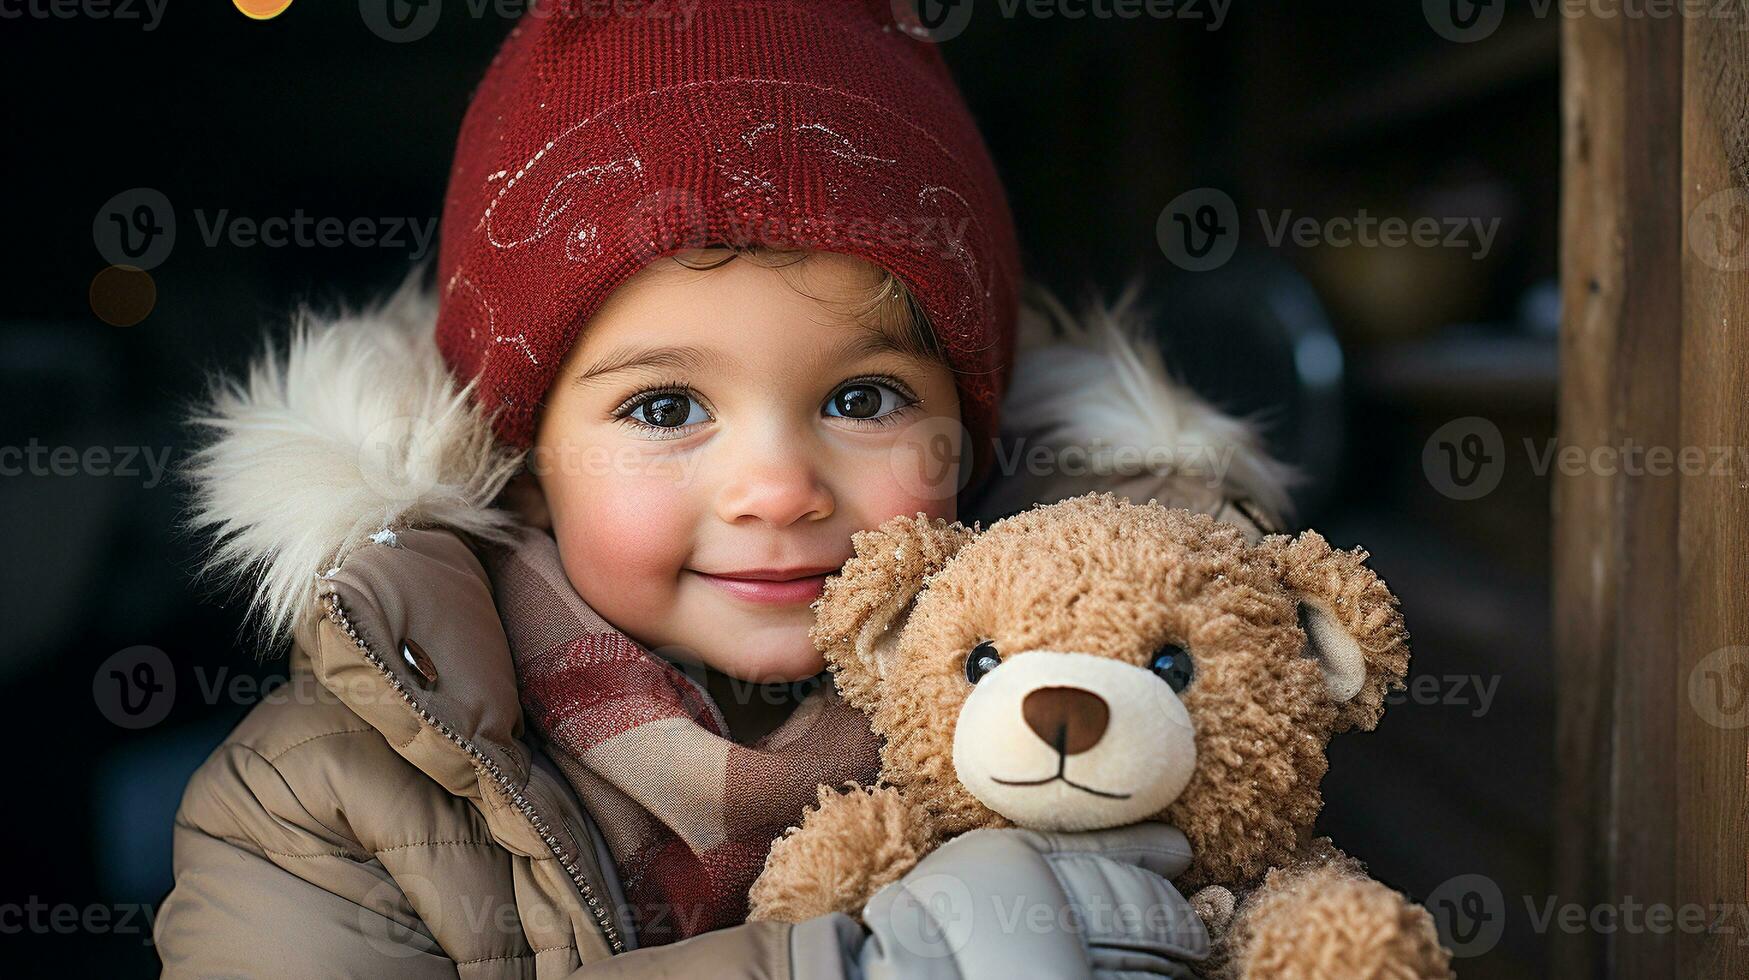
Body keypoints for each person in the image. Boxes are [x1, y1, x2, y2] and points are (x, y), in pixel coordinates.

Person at [156, 2, 1287, 975]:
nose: (779, 488)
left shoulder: (1143, 698)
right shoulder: (324, 796)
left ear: (971, 435)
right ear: (523, 457)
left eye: (864, 398)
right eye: (663, 408)